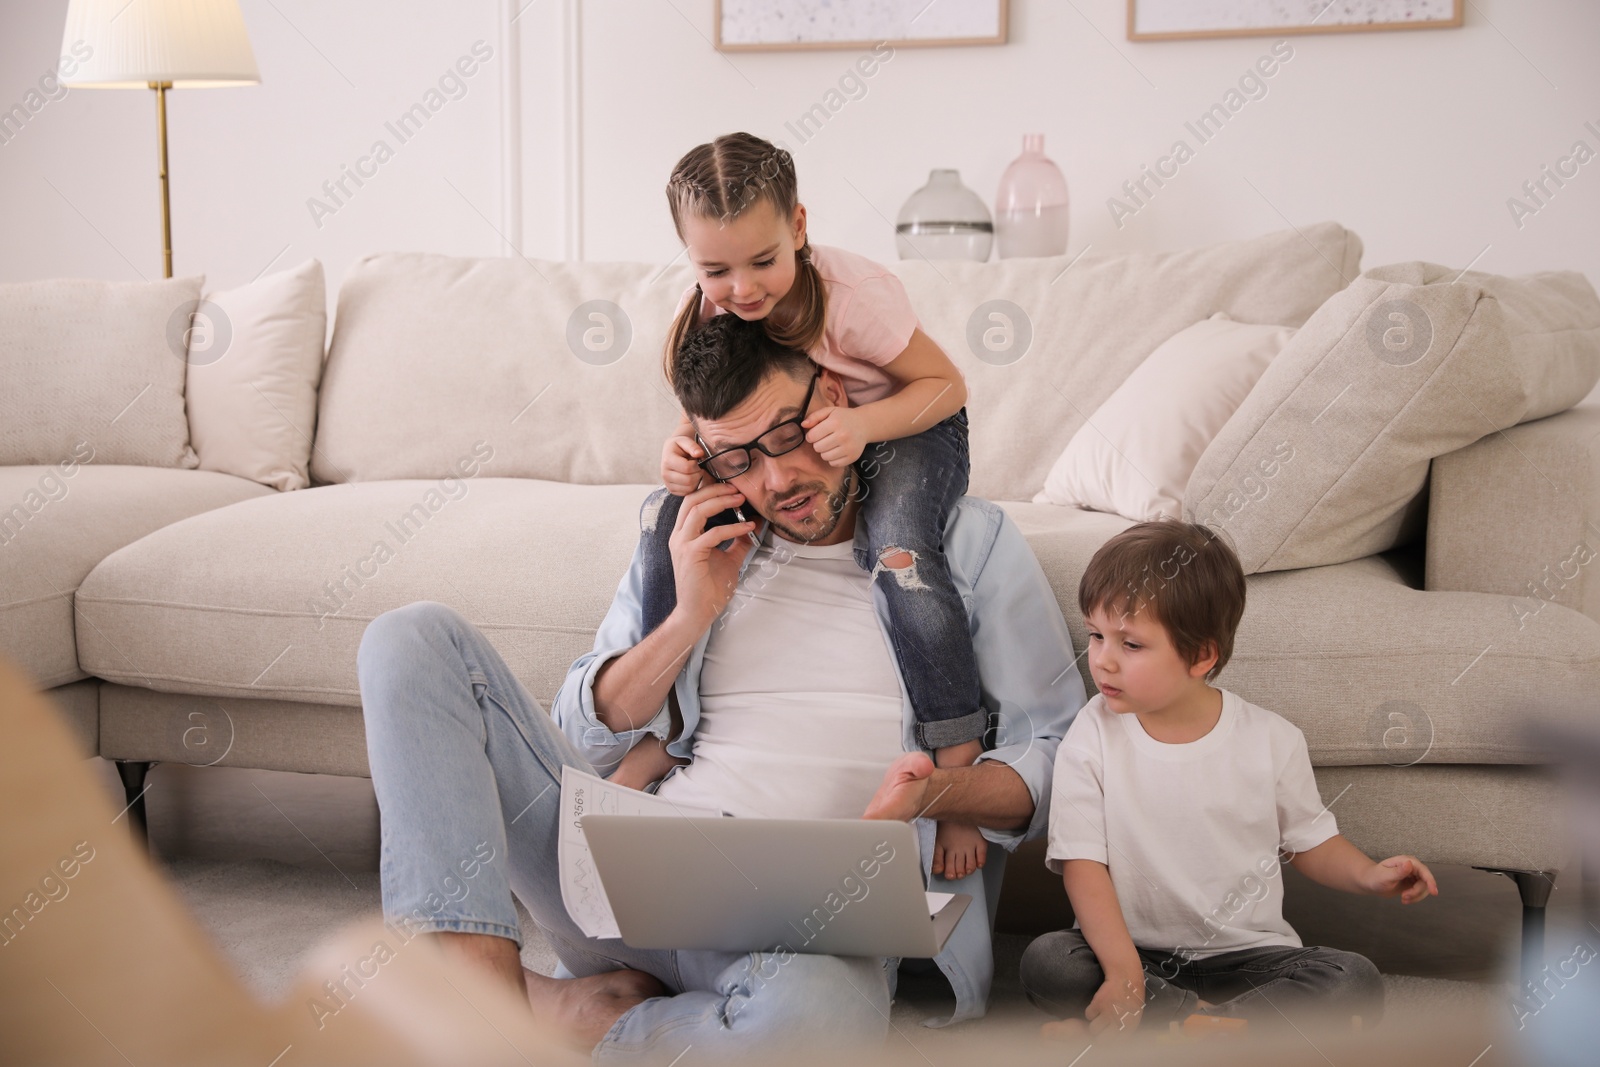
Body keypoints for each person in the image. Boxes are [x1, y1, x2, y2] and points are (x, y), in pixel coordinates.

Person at [355, 311, 1086, 1058]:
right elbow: (582, 743)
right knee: (408, 641)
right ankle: (479, 1019)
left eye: (785, 436)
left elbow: (1061, 755)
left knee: (819, 1024)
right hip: (624, 875)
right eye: (738, 458)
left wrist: (935, 795)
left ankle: (569, 1015)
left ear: (832, 397)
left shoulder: (968, 544)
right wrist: (687, 618)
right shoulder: (696, 540)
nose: (777, 481)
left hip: (805, 940)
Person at [608, 132, 988, 879]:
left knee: (899, 552)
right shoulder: (707, 311)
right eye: (715, 269)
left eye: (762, 261)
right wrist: (679, 448)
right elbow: (710, 411)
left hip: (903, 425)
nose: (743, 289)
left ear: (800, 228)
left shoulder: (852, 299)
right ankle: (658, 735)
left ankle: (956, 771)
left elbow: (946, 385)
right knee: (669, 519)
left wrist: (862, 427)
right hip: (803, 435)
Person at [1019, 520, 1438, 1037]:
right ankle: (1215, 1031)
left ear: (1201, 656)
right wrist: (1126, 973)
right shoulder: (1092, 732)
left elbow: (1313, 843)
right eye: (1096, 634)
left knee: (1351, 979)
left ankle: (1168, 1027)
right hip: (1134, 956)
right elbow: (1082, 863)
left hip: (1249, 959)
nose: (1101, 659)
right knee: (1051, 960)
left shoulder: (1272, 739)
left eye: (1130, 645)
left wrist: (1370, 876)